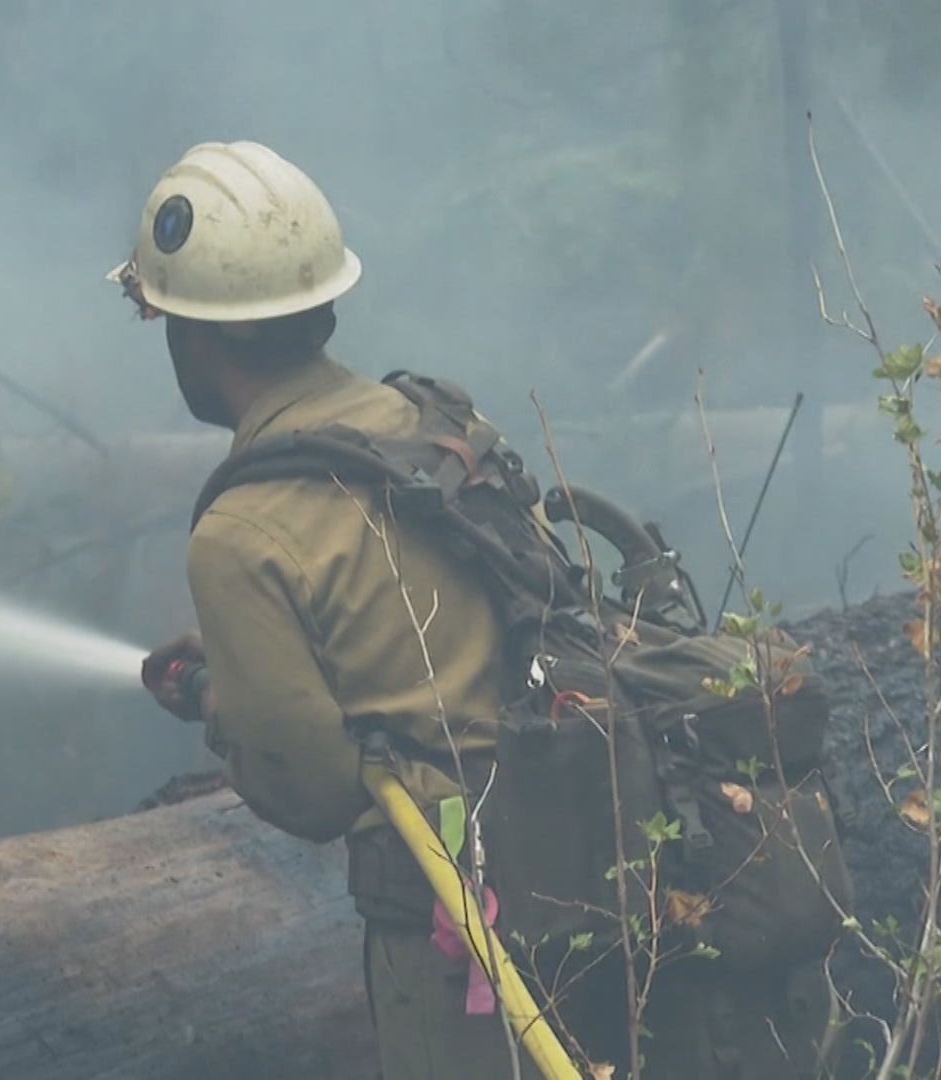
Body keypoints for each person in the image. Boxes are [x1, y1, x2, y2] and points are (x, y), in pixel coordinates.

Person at [116, 141, 836, 1078]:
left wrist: (226, 700)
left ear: (199, 335)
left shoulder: (240, 533)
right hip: (606, 852)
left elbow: (312, 786)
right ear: (321, 304)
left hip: (457, 917)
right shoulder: (440, 428)